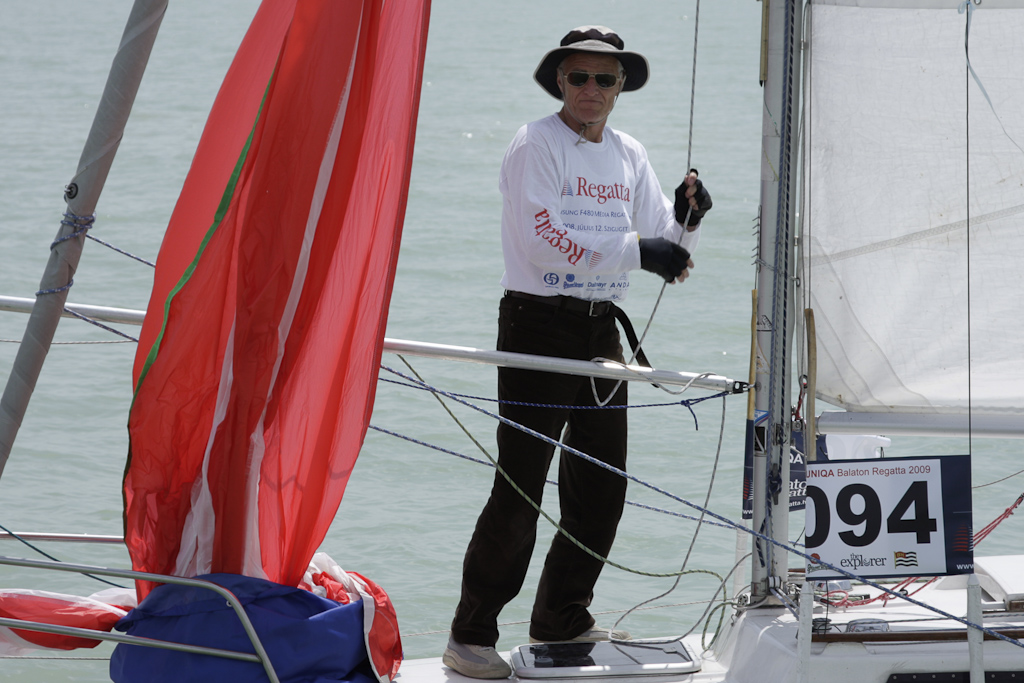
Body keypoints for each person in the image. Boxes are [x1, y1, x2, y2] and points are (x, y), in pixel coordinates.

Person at [442, 25, 712, 679]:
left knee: (601, 486)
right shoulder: (534, 143)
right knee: (520, 487)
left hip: (600, 332)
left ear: (621, 87)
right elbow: (543, 240)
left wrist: (688, 219)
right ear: (560, 81)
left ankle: (560, 616)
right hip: (536, 325)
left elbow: (665, 243)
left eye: (605, 78)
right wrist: (640, 252)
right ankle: (469, 634)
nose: (592, 88)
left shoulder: (629, 152)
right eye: (579, 76)